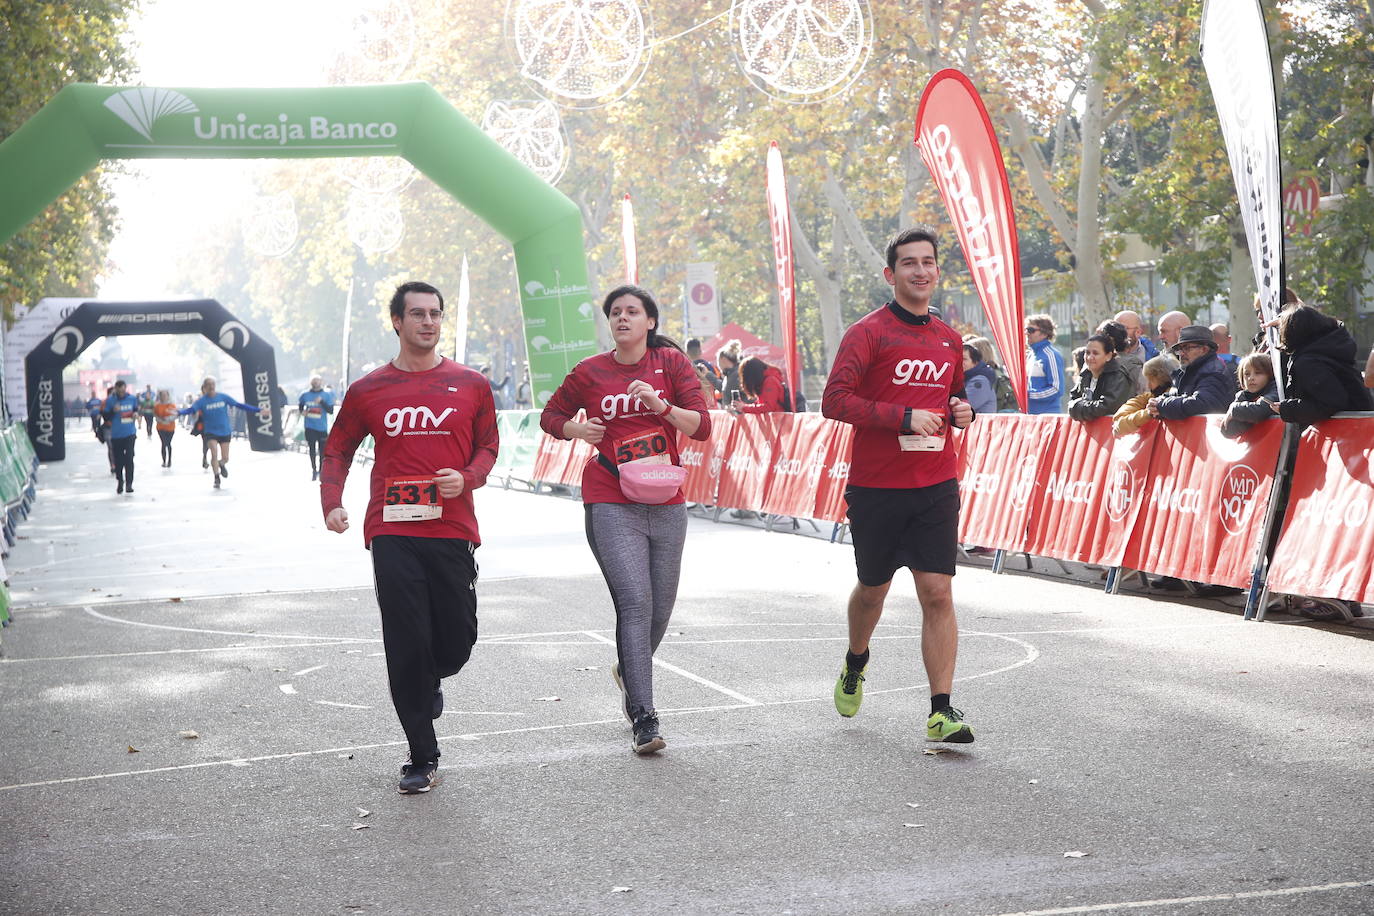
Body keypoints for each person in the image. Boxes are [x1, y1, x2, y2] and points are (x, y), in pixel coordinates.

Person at [321, 280, 499, 795]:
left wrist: (467, 477)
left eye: (436, 314)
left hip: (452, 527)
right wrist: (332, 502)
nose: (428, 322)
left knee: (456, 641)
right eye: (417, 314)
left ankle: (432, 675)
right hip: (392, 528)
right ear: (396, 322)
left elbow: (488, 446)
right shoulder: (369, 390)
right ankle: (421, 752)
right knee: (404, 641)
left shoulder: (471, 384)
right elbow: (337, 449)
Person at [539, 284, 712, 755]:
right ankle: (644, 716)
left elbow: (702, 426)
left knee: (660, 608)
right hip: (610, 496)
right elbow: (549, 415)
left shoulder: (671, 365)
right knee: (635, 602)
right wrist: (575, 428)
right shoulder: (590, 372)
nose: (622, 318)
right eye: (615, 312)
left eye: (632, 312)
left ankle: (628, 670)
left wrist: (661, 407)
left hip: (667, 497)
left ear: (650, 322)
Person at [821, 226, 977, 745]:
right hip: (877, 486)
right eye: (908, 263)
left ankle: (941, 709)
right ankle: (855, 660)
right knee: (873, 590)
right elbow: (835, 401)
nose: (920, 270)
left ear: (937, 270)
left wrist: (960, 411)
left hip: (935, 482)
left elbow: (953, 399)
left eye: (928, 262)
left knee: (937, 592)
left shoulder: (949, 338)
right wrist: (902, 416)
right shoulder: (868, 333)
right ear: (891, 274)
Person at [1271, 305, 1374, 425]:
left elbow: (1332, 402)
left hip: (1349, 430)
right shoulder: (1328, 349)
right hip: (1360, 425)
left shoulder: (1308, 362)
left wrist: (1288, 409)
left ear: (1292, 331)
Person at [179, 377, 268, 489]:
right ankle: (216, 477)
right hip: (210, 432)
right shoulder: (202, 401)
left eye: (213, 384)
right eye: (208, 385)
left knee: (225, 458)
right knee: (214, 453)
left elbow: (239, 405)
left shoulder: (223, 397)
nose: (211, 387)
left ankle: (222, 464)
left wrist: (258, 410)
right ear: (205, 388)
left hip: (224, 431)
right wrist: (178, 412)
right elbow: (190, 410)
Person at [1148, 325, 1235, 420]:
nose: (1181, 353)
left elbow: (1201, 403)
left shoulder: (1213, 372)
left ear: (1204, 349)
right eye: (1179, 349)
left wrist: (1161, 406)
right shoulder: (1189, 371)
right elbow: (1178, 394)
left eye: (1187, 348)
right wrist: (1158, 402)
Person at [1068, 333, 1134, 421]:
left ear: (1108, 356)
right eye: (1087, 353)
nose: (1090, 357)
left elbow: (1107, 407)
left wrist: (1079, 408)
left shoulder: (1118, 375)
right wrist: (1077, 407)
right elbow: (1073, 398)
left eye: (1095, 353)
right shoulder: (1085, 373)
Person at [1113, 354, 1178, 437]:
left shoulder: (1176, 399)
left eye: (1151, 381)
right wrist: (1148, 413)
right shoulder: (1148, 397)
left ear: (1163, 380)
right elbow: (1119, 422)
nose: (1148, 386)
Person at [1220, 352, 1279, 439]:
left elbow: (1261, 409)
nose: (1251, 378)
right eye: (1247, 374)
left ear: (1269, 375)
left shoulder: (1275, 390)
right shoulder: (1242, 396)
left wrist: (1235, 410)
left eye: (1258, 373)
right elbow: (1227, 429)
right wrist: (1250, 418)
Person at [101, 380, 140, 493]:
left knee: (129, 458)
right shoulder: (110, 401)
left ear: (125, 388)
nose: (121, 393)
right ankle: (120, 481)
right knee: (119, 460)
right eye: (119, 391)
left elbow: (136, 410)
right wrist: (113, 411)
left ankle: (129, 483)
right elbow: (106, 417)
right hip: (116, 435)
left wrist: (136, 414)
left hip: (130, 433)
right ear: (116, 390)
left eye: (123, 390)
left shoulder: (132, 399)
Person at [1025, 314, 1066, 414]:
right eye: (1026, 329)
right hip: (1032, 416)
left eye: (1031, 330)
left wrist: (1028, 395)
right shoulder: (1030, 355)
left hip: (1047, 418)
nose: (1027, 333)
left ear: (1044, 334)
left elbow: (1057, 389)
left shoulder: (1051, 355)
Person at [298, 375, 336, 482]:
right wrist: (302, 412)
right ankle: (314, 470)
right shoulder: (304, 395)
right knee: (312, 449)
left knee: (322, 451)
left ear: (321, 382)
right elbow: (300, 406)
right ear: (311, 382)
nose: (315, 383)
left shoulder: (326, 395)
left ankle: (321, 471)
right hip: (309, 426)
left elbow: (331, 411)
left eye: (317, 381)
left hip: (322, 427)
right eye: (313, 381)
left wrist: (321, 402)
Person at [961, 343, 998, 415]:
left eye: (964, 359)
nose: (960, 362)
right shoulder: (968, 378)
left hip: (979, 425)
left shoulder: (980, 381)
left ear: (975, 362)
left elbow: (963, 407)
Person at [153, 389, 179, 467]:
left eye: (165, 395)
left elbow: (175, 415)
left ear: (168, 396)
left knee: (168, 443)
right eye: (162, 395)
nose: (164, 397)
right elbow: (155, 415)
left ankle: (169, 460)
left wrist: (168, 419)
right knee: (163, 443)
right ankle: (164, 461)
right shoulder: (157, 405)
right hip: (160, 427)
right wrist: (161, 420)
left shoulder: (172, 405)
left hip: (170, 427)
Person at [717, 339, 743, 409]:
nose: (719, 366)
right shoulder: (732, 374)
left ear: (723, 360)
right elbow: (723, 387)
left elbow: (726, 395)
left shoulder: (734, 375)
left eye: (718, 362)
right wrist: (708, 374)